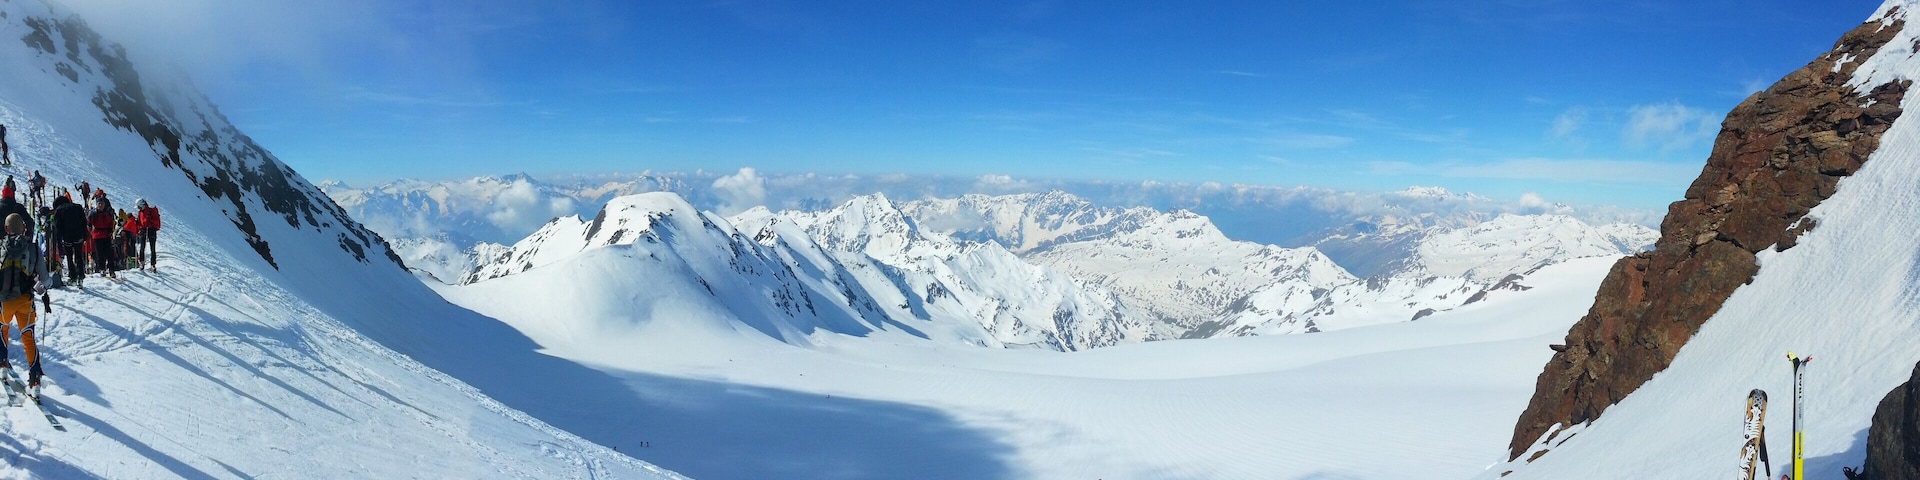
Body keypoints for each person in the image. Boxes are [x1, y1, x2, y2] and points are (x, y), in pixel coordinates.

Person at [0, 213, 50, 391]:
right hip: (25, 301)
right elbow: (45, 280)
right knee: (28, 337)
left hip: (4, 301)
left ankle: (3, 363)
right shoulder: (33, 249)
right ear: (23, 227)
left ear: (6, 228)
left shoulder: (1, 247)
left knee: (2, 327)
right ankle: (35, 378)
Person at [49, 195, 84, 287]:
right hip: (78, 235)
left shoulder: (58, 210)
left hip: (67, 237)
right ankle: (80, 275)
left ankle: (73, 277)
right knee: (79, 256)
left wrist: (59, 239)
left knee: (69, 257)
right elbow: (84, 222)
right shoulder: (78, 207)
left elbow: (58, 226)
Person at [86, 195, 113, 280]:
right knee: (100, 254)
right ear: (97, 204)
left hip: (106, 234)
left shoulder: (107, 213)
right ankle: (102, 269)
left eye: (102, 204)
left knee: (109, 253)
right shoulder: (94, 213)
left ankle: (111, 269)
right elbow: (89, 223)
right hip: (97, 235)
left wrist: (110, 230)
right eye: (99, 204)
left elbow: (111, 222)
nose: (101, 205)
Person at [136, 199, 158, 272]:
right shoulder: (140, 212)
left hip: (151, 229)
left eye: (139, 206)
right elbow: (139, 221)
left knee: (152, 247)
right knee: (142, 246)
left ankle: (153, 264)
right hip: (143, 229)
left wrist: (150, 221)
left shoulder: (151, 211)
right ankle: (142, 262)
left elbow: (155, 220)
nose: (138, 208)